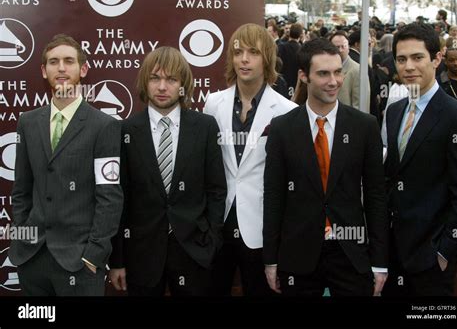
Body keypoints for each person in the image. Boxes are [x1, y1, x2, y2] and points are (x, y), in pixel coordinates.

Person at [263, 38, 389, 296]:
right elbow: (274, 196)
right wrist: (271, 259)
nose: (333, 81)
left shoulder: (365, 127)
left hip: (351, 253)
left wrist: (379, 262)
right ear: (303, 76)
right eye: (323, 73)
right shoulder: (282, 128)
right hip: (298, 255)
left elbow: (376, 195)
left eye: (337, 72)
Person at [9, 34, 123, 296]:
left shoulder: (104, 126)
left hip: (80, 262)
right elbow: (21, 189)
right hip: (32, 259)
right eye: (53, 62)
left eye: (69, 61)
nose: (61, 68)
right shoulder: (28, 122)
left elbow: (110, 198)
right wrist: (23, 238)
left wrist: (94, 255)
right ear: (43, 70)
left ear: (82, 69)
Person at [109, 47, 226, 296]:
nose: (162, 87)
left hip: (195, 251)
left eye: (171, 79)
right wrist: (117, 259)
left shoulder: (205, 127)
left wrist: (213, 241)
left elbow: (216, 190)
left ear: (183, 83)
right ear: (145, 82)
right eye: (155, 78)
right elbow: (120, 199)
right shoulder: (125, 130)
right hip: (141, 255)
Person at [204, 23, 297, 296]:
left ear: (266, 58)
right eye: (238, 52)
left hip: (261, 226)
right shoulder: (213, 103)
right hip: (218, 222)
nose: (244, 59)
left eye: (253, 52)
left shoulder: (286, 110)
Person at [384, 23, 457, 296]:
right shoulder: (396, 110)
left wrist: (446, 251)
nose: (408, 66)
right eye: (401, 59)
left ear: (437, 59)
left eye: (417, 57)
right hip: (393, 254)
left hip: (432, 261)